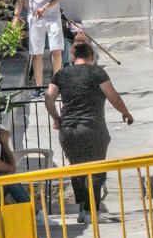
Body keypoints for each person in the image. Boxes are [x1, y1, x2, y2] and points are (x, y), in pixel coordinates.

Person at [44, 42, 134, 223]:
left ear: (72, 55)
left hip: (68, 130)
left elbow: (48, 98)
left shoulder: (61, 74)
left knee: (78, 169)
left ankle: (82, 210)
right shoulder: (97, 72)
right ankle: (92, 211)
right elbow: (113, 96)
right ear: (91, 55)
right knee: (96, 169)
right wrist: (125, 113)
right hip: (93, 128)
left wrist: (56, 118)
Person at [12, 0, 65, 99]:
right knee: (37, 53)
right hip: (35, 17)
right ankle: (39, 87)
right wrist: (16, 16)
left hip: (52, 15)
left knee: (56, 50)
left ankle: (56, 84)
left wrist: (46, 7)